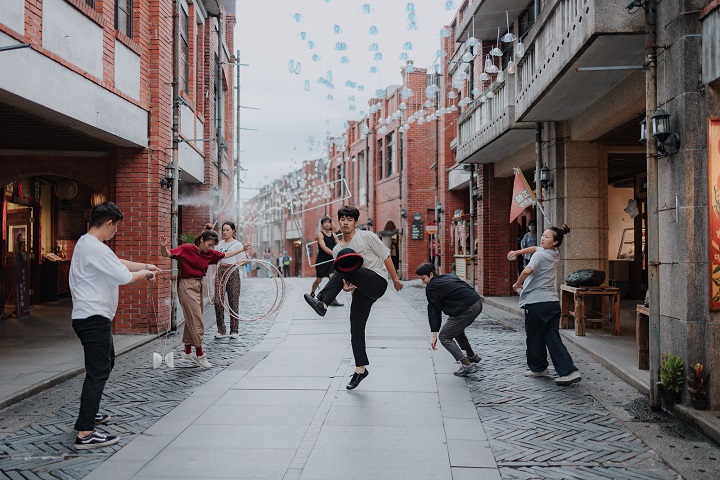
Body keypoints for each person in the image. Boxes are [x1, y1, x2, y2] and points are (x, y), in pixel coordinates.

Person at [70, 201, 159, 449]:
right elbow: (124, 277)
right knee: (97, 372)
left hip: (92, 317)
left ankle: (90, 412)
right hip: (93, 318)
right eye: (116, 227)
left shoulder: (87, 243)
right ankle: (85, 433)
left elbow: (117, 262)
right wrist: (146, 274)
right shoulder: (96, 249)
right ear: (108, 223)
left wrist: (144, 265)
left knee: (105, 364)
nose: (116, 232)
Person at [304, 205, 403, 390]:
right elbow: (344, 279)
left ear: (355, 223)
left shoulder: (367, 237)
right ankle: (360, 370)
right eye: (342, 219)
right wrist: (347, 287)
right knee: (356, 328)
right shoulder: (336, 249)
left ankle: (323, 303)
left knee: (345, 258)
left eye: (350, 220)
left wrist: (396, 279)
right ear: (338, 222)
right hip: (361, 289)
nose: (346, 223)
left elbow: (387, 256)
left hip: (377, 282)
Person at [161, 230, 249, 369]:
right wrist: (162, 246)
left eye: (213, 245)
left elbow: (225, 255)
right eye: (209, 244)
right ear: (201, 240)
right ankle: (200, 355)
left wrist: (242, 249)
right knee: (197, 320)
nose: (211, 248)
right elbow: (168, 254)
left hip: (199, 285)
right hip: (186, 285)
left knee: (192, 318)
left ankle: (187, 352)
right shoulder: (186, 248)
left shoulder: (210, 253)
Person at [507, 224, 582, 386]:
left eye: (547, 237)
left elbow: (527, 271)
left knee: (535, 336)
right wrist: (519, 252)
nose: (543, 238)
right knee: (550, 335)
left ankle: (562, 370)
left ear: (554, 242)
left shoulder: (539, 257)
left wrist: (517, 283)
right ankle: (545, 368)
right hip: (552, 302)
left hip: (537, 302)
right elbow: (535, 248)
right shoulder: (554, 253)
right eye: (543, 235)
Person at [415, 262, 483, 376]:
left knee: (445, 337)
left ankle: (466, 365)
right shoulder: (447, 276)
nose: (423, 282)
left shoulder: (432, 287)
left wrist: (435, 334)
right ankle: (471, 356)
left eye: (423, 278)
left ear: (431, 274)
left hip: (467, 307)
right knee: (456, 330)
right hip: (477, 302)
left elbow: (434, 310)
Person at [214, 222, 251, 339]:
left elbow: (242, 261)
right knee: (218, 301)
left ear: (233, 231)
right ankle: (221, 329)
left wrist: (245, 261)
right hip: (220, 271)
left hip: (233, 272)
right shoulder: (219, 244)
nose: (225, 232)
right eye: (223, 230)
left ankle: (234, 330)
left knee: (233, 301)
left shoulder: (238, 244)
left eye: (227, 230)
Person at [310, 217, 343, 306]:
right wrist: (334, 253)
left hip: (331, 261)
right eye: (325, 223)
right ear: (322, 225)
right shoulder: (320, 235)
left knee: (333, 279)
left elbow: (339, 244)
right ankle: (312, 293)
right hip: (322, 260)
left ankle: (332, 298)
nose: (327, 224)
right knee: (318, 280)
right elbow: (323, 247)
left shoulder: (333, 234)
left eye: (329, 222)